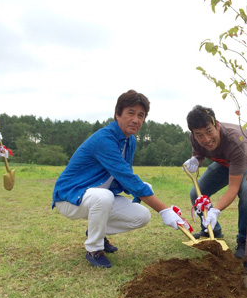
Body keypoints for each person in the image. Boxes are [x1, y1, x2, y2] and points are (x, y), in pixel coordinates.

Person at [52, 90, 189, 268]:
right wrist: (164, 211)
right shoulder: (105, 139)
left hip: (98, 197)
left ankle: (96, 232)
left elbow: (123, 177)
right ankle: (94, 248)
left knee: (142, 216)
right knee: (104, 197)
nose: (136, 120)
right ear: (117, 114)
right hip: (70, 197)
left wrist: (138, 188)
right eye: (130, 113)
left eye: (141, 115)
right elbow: (127, 176)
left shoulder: (130, 141)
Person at [184, 105, 247, 259]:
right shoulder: (195, 137)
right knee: (195, 193)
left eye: (209, 131)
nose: (206, 139)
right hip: (226, 163)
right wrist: (196, 160)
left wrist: (215, 210)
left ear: (216, 125)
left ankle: (245, 240)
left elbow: (233, 187)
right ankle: (213, 231)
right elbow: (199, 153)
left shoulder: (235, 140)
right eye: (199, 135)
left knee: (246, 191)